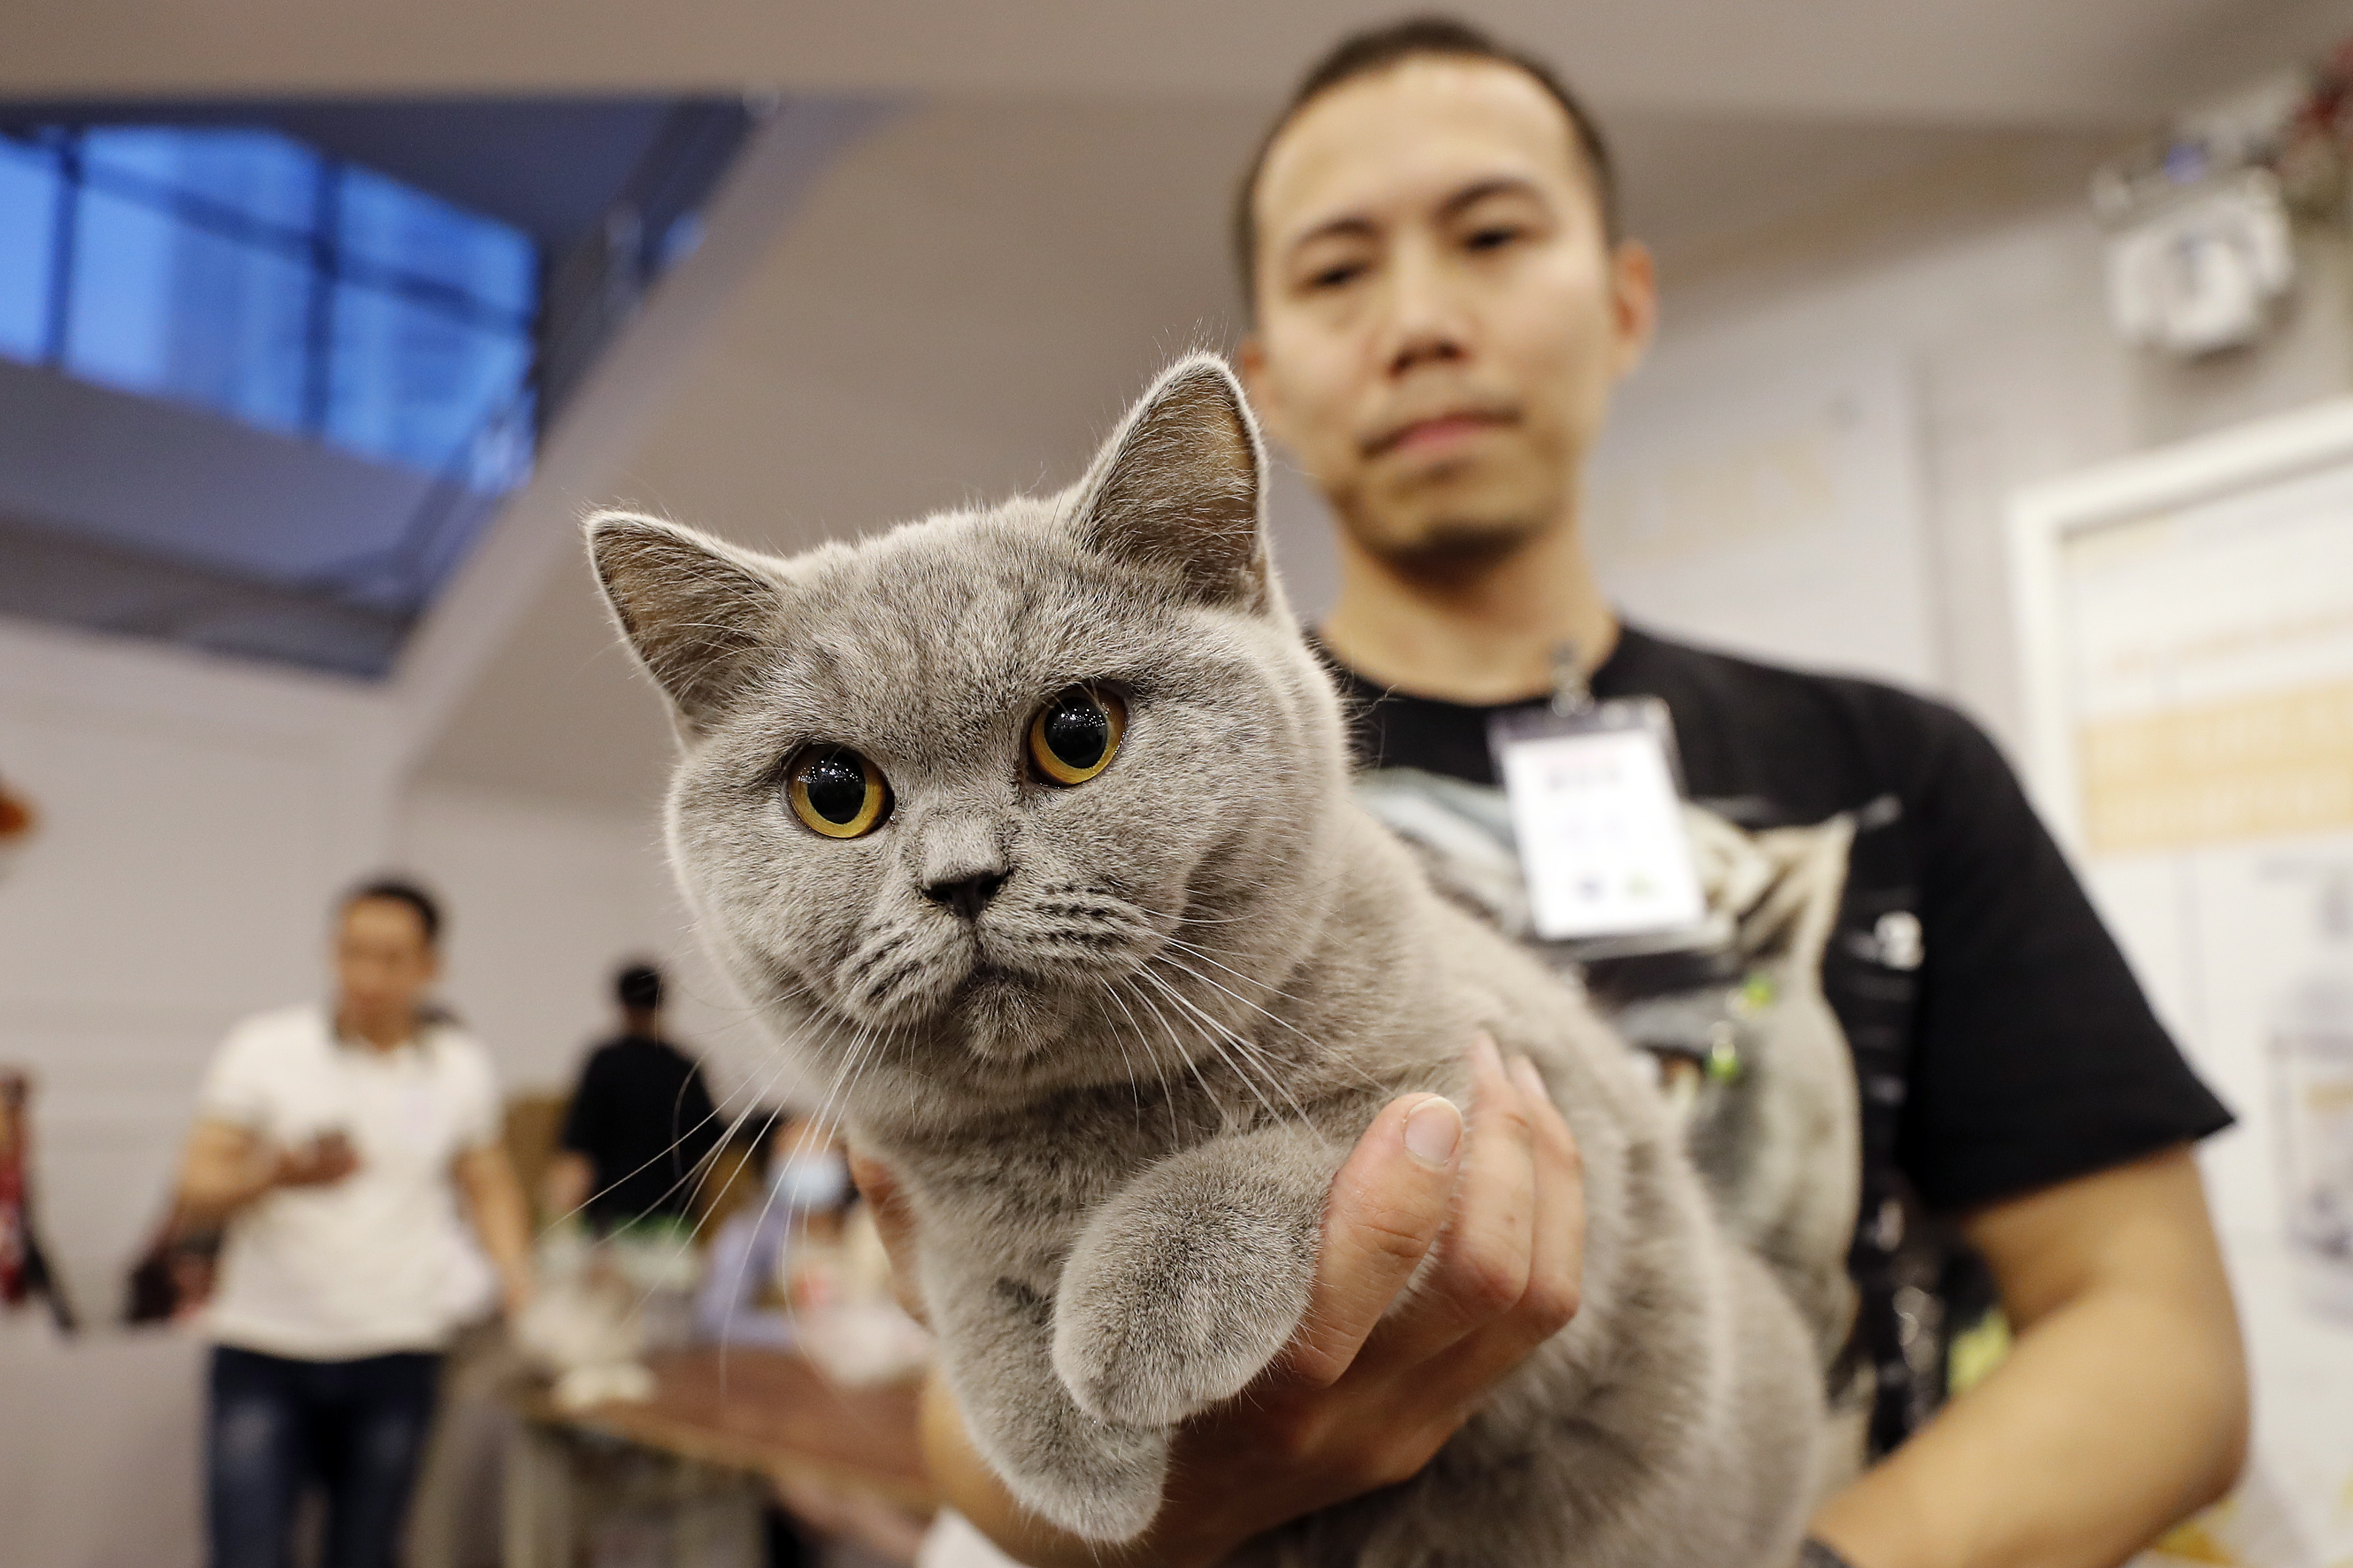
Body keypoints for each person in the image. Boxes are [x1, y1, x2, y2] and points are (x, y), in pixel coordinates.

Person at [876, 18, 2251, 1568]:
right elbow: (963, 1420)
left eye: (1489, 235)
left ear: (1620, 303)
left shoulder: (1890, 769)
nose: (1418, 320)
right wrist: (1178, 1483)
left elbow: (2156, 1338)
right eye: (1336, 272)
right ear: (1260, 379)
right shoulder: (1140, 790)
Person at [175, 879, 534, 1568]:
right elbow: (196, 1186)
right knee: (247, 1550)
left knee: (367, 1550)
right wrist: (273, 1175)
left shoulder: (458, 1065)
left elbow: (489, 1184)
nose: (366, 975)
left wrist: (521, 1282)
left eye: (390, 957)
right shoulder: (264, 1048)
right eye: (352, 952)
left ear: (430, 966)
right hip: (266, 1348)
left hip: (397, 1348)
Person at [545, 961, 724, 1232]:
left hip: (609, 1221)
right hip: (673, 1222)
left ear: (620, 1002)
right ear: (662, 1002)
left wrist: (556, 1219)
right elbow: (711, 1138)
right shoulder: (684, 1068)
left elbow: (578, 1149)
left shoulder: (604, 1063)